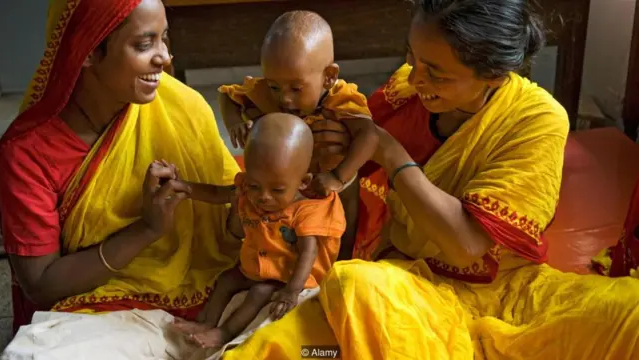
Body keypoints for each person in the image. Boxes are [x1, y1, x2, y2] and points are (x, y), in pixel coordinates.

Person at [220, 1, 639, 359]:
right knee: (346, 296)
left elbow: (467, 246)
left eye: (436, 73)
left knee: (629, 316)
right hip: (407, 283)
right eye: (413, 58)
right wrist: (332, 155)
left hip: (510, 292)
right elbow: (343, 183)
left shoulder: (537, 119)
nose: (416, 78)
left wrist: (389, 153)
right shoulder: (407, 89)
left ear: (492, 75)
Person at [0, 0, 239, 336]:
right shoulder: (27, 153)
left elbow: (235, 224)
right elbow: (41, 284)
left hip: (210, 292)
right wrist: (147, 230)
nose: (165, 57)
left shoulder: (184, 108)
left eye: (164, 39)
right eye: (144, 44)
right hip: (93, 309)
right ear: (87, 51)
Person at [169, 113, 346, 349]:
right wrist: (185, 187)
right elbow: (217, 194)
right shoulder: (249, 188)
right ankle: (206, 322)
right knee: (225, 280)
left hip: (290, 275)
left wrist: (291, 292)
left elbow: (308, 254)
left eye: (277, 189)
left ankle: (224, 333)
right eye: (254, 186)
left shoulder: (308, 211)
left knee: (259, 293)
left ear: (303, 182)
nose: (263, 196)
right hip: (255, 266)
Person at [219, 11, 378, 200]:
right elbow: (227, 95)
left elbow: (369, 136)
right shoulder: (263, 90)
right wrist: (234, 123)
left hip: (331, 180)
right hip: (281, 183)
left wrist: (338, 177)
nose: (284, 98)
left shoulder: (342, 99)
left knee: (347, 201)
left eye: (296, 88)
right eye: (274, 86)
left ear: (329, 76)